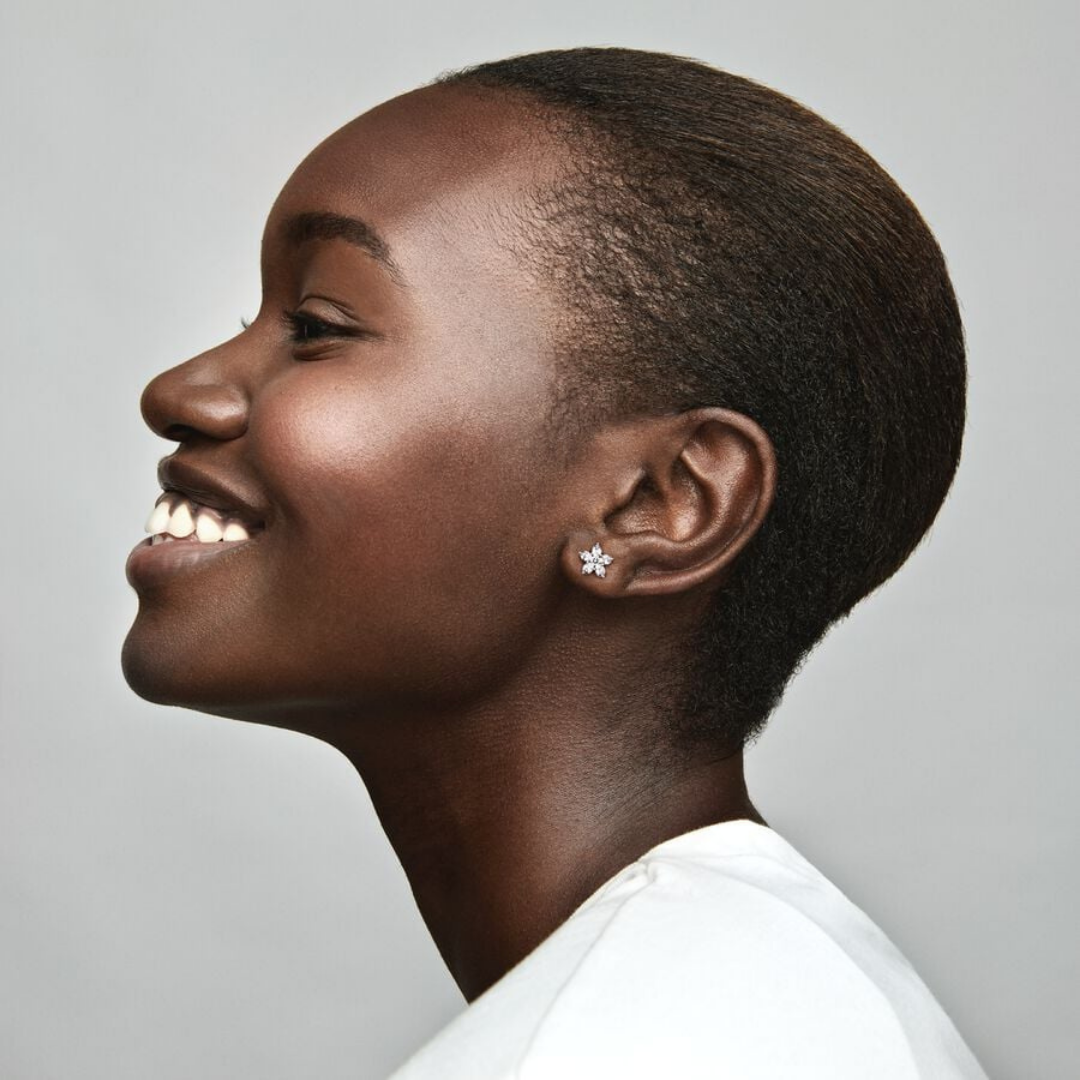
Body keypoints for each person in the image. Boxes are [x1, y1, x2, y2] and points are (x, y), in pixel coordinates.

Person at [122, 46, 988, 1079]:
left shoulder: (642, 1047)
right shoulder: (742, 998)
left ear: (656, 505)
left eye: (317, 327)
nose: (182, 390)